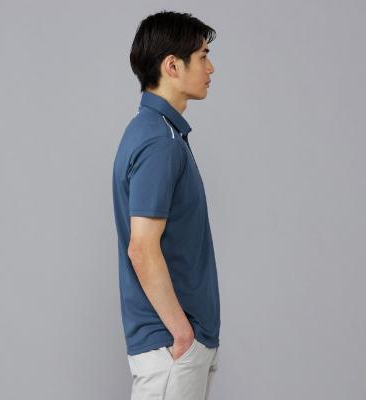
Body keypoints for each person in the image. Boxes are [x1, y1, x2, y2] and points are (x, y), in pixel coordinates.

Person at [112, 10, 221, 400]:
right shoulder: (159, 141)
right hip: (170, 347)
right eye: (203, 56)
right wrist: (182, 334)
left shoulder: (161, 133)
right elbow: (142, 247)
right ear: (172, 66)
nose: (211, 68)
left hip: (175, 347)